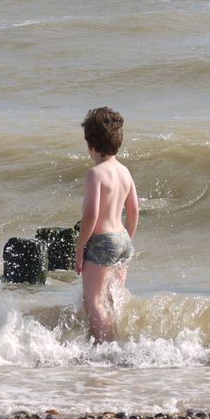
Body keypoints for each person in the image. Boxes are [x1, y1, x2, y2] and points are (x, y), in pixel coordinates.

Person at [74, 107, 139, 342]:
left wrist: (80, 247)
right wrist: (126, 240)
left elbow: (91, 215)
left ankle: (108, 347)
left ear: (91, 145)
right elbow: (134, 211)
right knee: (113, 299)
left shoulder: (95, 174)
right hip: (122, 239)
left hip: (102, 242)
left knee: (93, 302)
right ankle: (121, 339)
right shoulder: (124, 171)